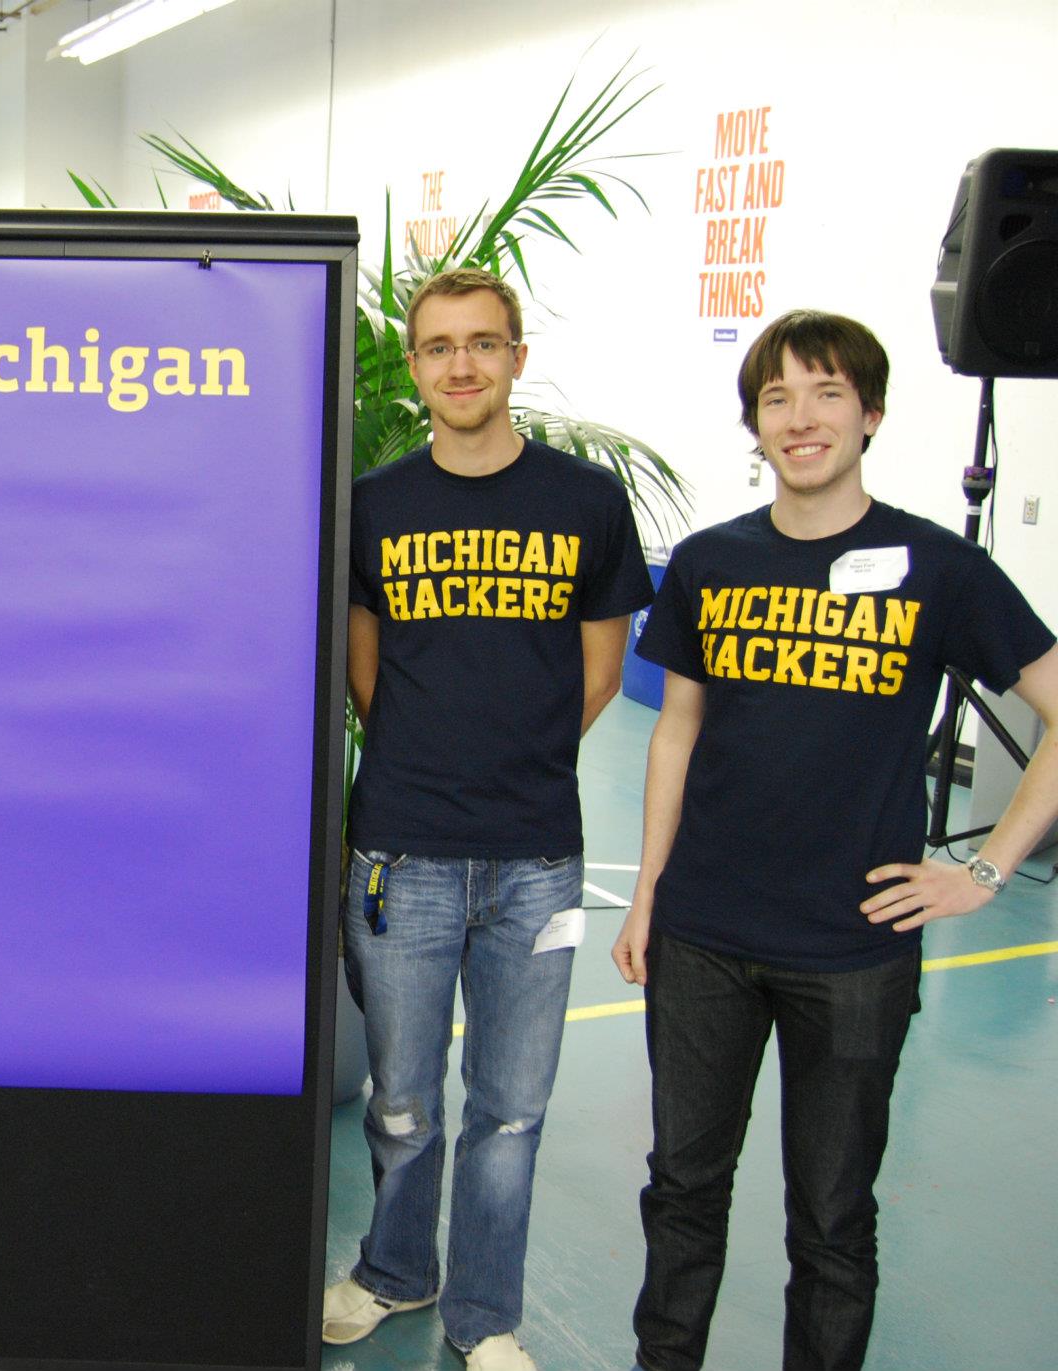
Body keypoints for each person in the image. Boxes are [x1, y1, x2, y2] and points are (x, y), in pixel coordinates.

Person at [612, 309, 1058, 1371]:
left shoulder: (935, 568)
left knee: (830, 1220)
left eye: (824, 394)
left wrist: (983, 869)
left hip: (853, 949)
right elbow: (675, 731)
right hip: (703, 937)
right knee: (681, 1191)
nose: (799, 418)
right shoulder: (713, 563)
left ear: (869, 415)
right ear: (753, 424)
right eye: (776, 398)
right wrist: (645, 899)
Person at [324, 268, 653, 1371]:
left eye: (481, 343)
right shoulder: (373, 505)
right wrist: (437, 762)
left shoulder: (584, 504)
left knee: (510, 1112)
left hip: (535, 864)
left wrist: (503, 759)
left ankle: (483, 1318)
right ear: (413, 366)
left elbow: (596, 676)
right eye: (436, 347)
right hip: (402, 852)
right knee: (403, 1102)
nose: (459, 365)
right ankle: (392, 1274)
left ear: (516, 356)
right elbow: (365, 676)